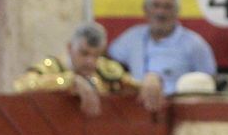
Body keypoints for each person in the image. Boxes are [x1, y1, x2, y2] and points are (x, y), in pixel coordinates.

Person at [14, 22, 164, 117]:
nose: (90, 61)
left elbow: (132, 86)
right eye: (84, 53)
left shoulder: (105, 69)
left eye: (96, 55)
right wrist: (69, 80)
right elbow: (22, 85)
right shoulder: (53, 67)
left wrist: (151, 79)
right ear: (69, 48)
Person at [107, 0, 218, 95]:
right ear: (145, 9)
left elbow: (209, 81)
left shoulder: (194, 44)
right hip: (136, 103)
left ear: (177, 11)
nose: (160, 12)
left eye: (167, 7)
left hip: (175, 103)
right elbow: (107, 61)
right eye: (156, 6)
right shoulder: (131, 37)